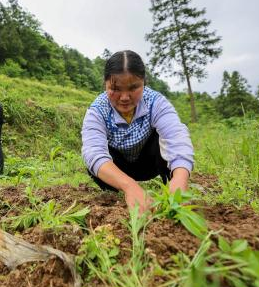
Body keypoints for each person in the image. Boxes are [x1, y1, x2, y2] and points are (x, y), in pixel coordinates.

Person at [81, 50, 194, 212]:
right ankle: (118, 195)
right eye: (116, 88)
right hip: (118, 168)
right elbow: (93, 152)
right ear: (105, 84)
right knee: (94, 162)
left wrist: (181, 179)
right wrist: (129, 186)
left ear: (143, 83)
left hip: (149, 164)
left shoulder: (155, 102)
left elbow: (176, 137)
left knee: (162, 138)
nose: (125, 97)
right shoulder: (98, 110)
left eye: (133, 87)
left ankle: (170, 186)